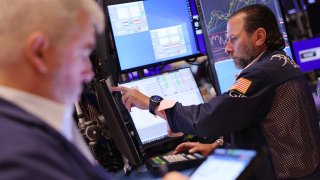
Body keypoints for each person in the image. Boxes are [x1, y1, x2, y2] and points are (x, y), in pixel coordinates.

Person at [111, 4, 320, 179]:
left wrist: (152, 103)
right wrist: (219, 145)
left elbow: (208, 119)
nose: (227, 48)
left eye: (234, 39)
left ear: (259, 37)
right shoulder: (279, 62)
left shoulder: (262, 74)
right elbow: (252, 122)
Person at [0, 0, 112, 179]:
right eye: (83, 54)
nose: (89, 72)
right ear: (39, 52)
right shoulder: (22, 158)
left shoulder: (39, 118)